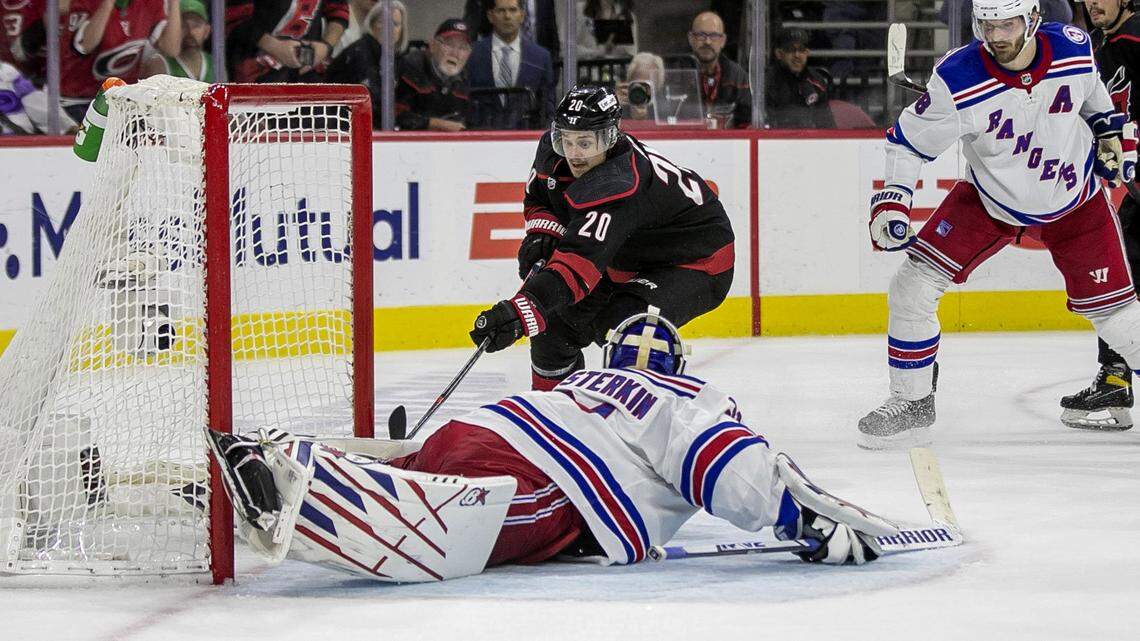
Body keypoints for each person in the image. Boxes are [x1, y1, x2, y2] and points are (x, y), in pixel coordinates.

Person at [206, 309, 896, 583]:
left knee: (421, 466)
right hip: (548, 484)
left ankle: (284, 461)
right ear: (676, 369)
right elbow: (715, 458)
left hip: (479, 429)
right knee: (447, 518)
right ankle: (308, 488)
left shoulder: (589, 380)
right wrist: (798, 516)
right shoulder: (689, 397)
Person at [858, 0, 1140, 449]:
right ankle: (911, 404)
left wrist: (1109, 137)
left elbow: (1098, 105)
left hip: (1076, 201)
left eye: (1007, 24)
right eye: (988, 25)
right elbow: (906, 143)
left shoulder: (1074, 49)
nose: (998, 36)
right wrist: (892, 201)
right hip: (988, 201)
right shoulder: (958, 77)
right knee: (911, 286)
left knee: (1118, 320)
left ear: (1031, 20)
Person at [467, 85, 735, 392]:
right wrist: (543, 234)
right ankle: (553, 419)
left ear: (609, 138)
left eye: (585, 142)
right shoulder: (552, 153)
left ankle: (633, 423)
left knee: (629, 329)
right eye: (566, 140)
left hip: (696, 260)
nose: (574, 154)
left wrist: (518, 312)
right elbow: (539, 198)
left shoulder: (618, 183)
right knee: (552, 324)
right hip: (627, 254)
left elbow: (576, 269)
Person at [60, 0, 181, 122]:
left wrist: (174, 3)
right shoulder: (86, 3)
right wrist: (108, 4)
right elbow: (85, 46)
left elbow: (171, 49)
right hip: (78, 101)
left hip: (122, 101)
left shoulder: (148, 3)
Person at [467, 0, 557, 129]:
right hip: (481, 137)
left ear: (522, 15)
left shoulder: (541, 57)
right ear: (490, 16)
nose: (507, 16)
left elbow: (548, 106)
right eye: (501, 11)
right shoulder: (472, 54)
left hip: (525, 138)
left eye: (513, 10)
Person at [325, 0, 407, 129]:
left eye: (395, 24)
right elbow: (370, 103)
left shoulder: (393, 59)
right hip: (338, 130)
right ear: (373, 23)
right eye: (384, 22)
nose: (390, 28)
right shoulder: (359, 53)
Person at [224, 0, 347, 83]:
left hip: (306, 75)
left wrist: (325, 47)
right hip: (252, 74)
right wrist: (274, 46)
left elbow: (339, 11)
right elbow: (232, 15)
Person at [394, 18, 470, 131]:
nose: (455, 53)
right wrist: (436, 124)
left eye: (462, 48)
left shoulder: (465, 77)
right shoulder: (412, 67)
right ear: (433, 45)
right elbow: (393, 115)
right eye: (449, 44)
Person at [687, 10, 751, 128]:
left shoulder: (738, 76)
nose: (708, 41)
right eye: (701, 35)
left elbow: (747, 122)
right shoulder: (677, 74)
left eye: (714, 36)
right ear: (691, 39)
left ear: (723, 41)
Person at [765, 28, 835, 129]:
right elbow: (765, 124)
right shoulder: (767, 81)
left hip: (810, 141)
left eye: (801, 50)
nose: (797, 55)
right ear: (779, 53)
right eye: (790, 50)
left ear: (807, 53)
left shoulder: (817, 80)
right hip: (777, 141)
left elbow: (826, 125)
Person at [140, 0, 214, 82]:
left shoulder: (215, 63)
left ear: (207, 30)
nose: (190, 31)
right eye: (183, 25)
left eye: (196, 25)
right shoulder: (160, 64)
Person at [464, 0, 559, 61]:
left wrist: (553, 65)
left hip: (536, 64)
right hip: (497, 62)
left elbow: (551, 29)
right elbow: (471, 29)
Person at [617, 51, 664, 121]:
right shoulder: (621, 107)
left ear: (658, 83)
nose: (642, 91)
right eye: (639, 84)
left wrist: (646, 118)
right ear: (629, 82)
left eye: (647, 85)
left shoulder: (666, 108)